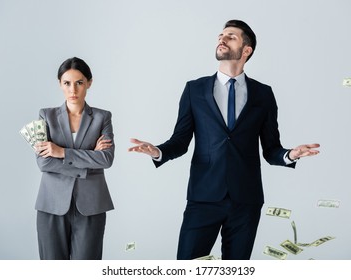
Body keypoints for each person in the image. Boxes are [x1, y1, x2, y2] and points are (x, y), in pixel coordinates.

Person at [128, 20, 320, 260]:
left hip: (246, 201)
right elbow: (180, 141)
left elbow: (271, 148)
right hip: (203, 197)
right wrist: (157, 151)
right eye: (221, 35)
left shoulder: (263, 94)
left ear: (246, 50)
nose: (222, 39)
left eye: (231, 36)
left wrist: (290, 155)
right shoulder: (194, 90)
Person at [34, 57, 115, 260]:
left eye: (79, 82)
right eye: (67, 83)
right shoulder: (46, 116)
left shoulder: (102, 117)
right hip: (51, 205)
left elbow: (106, 159)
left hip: (91, 206)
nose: (73, 90)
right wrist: (89, 159)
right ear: (60, 84)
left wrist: (61, 152)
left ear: (89, 82)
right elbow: (44, 162)